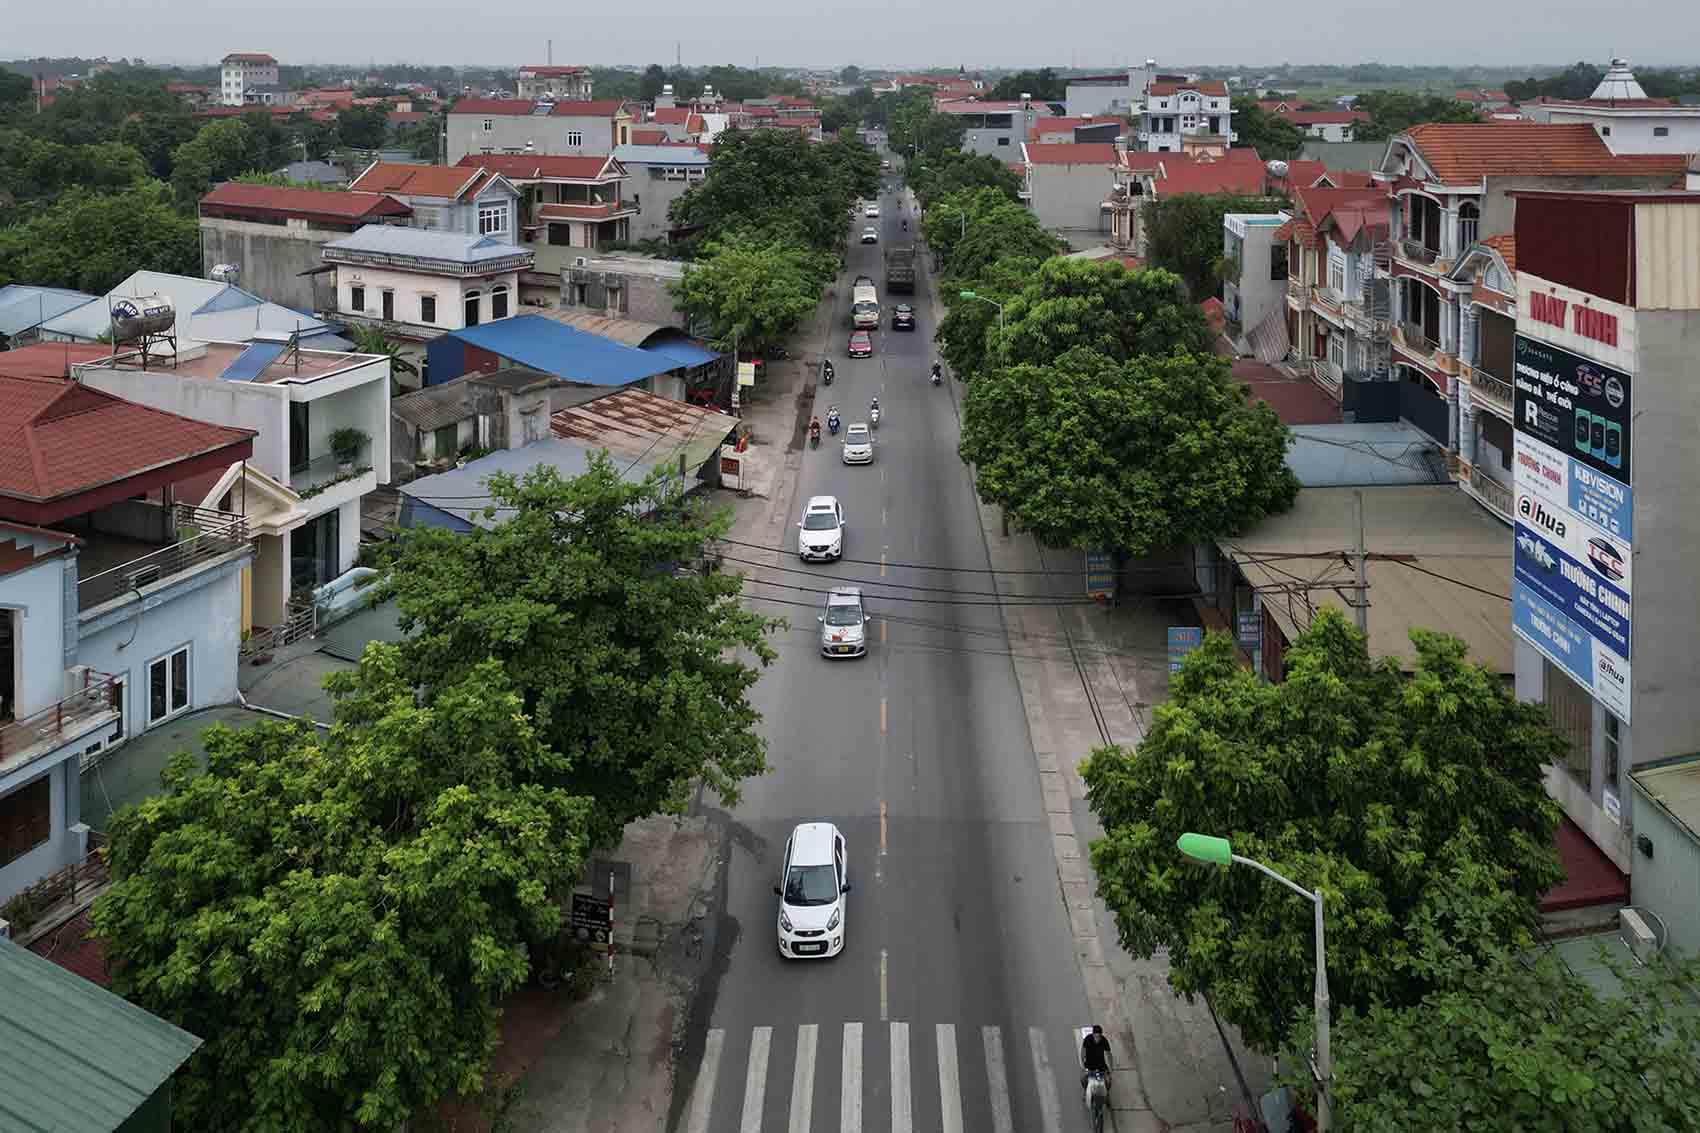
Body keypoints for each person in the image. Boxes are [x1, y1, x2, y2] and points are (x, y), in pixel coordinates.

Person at [1081, 1025, 1112, 1091]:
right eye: (1095, 1036)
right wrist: (1083, 1062)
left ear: (1101, 1035)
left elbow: (1109, 1054)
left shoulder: (1104, 1040)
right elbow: (1083, 1051)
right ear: (1093, 1034)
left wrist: (1111, 1067)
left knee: (1108, 1081)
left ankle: (1106, 1093)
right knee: (1083, 1079)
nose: (1097, 1038)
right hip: (1089, 1064)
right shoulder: (1088, 1039)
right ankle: (1085, 1091)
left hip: (1101, 1065)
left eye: (1099, 1036)